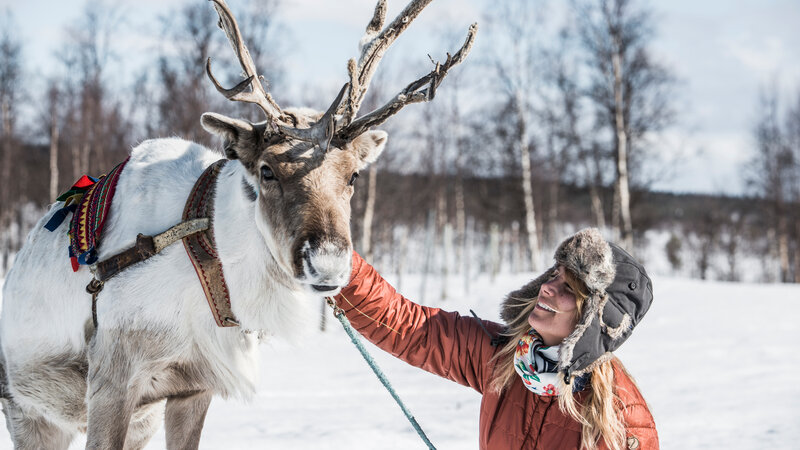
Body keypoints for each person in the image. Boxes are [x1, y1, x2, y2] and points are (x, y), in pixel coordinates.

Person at [333, 228, 658, 449]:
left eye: (568, 288)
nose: (547, 287)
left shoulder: (620, 420)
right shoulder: (506, 359)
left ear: (594, 321)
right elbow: (407, 326)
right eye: (555, 274)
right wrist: (338, 263)